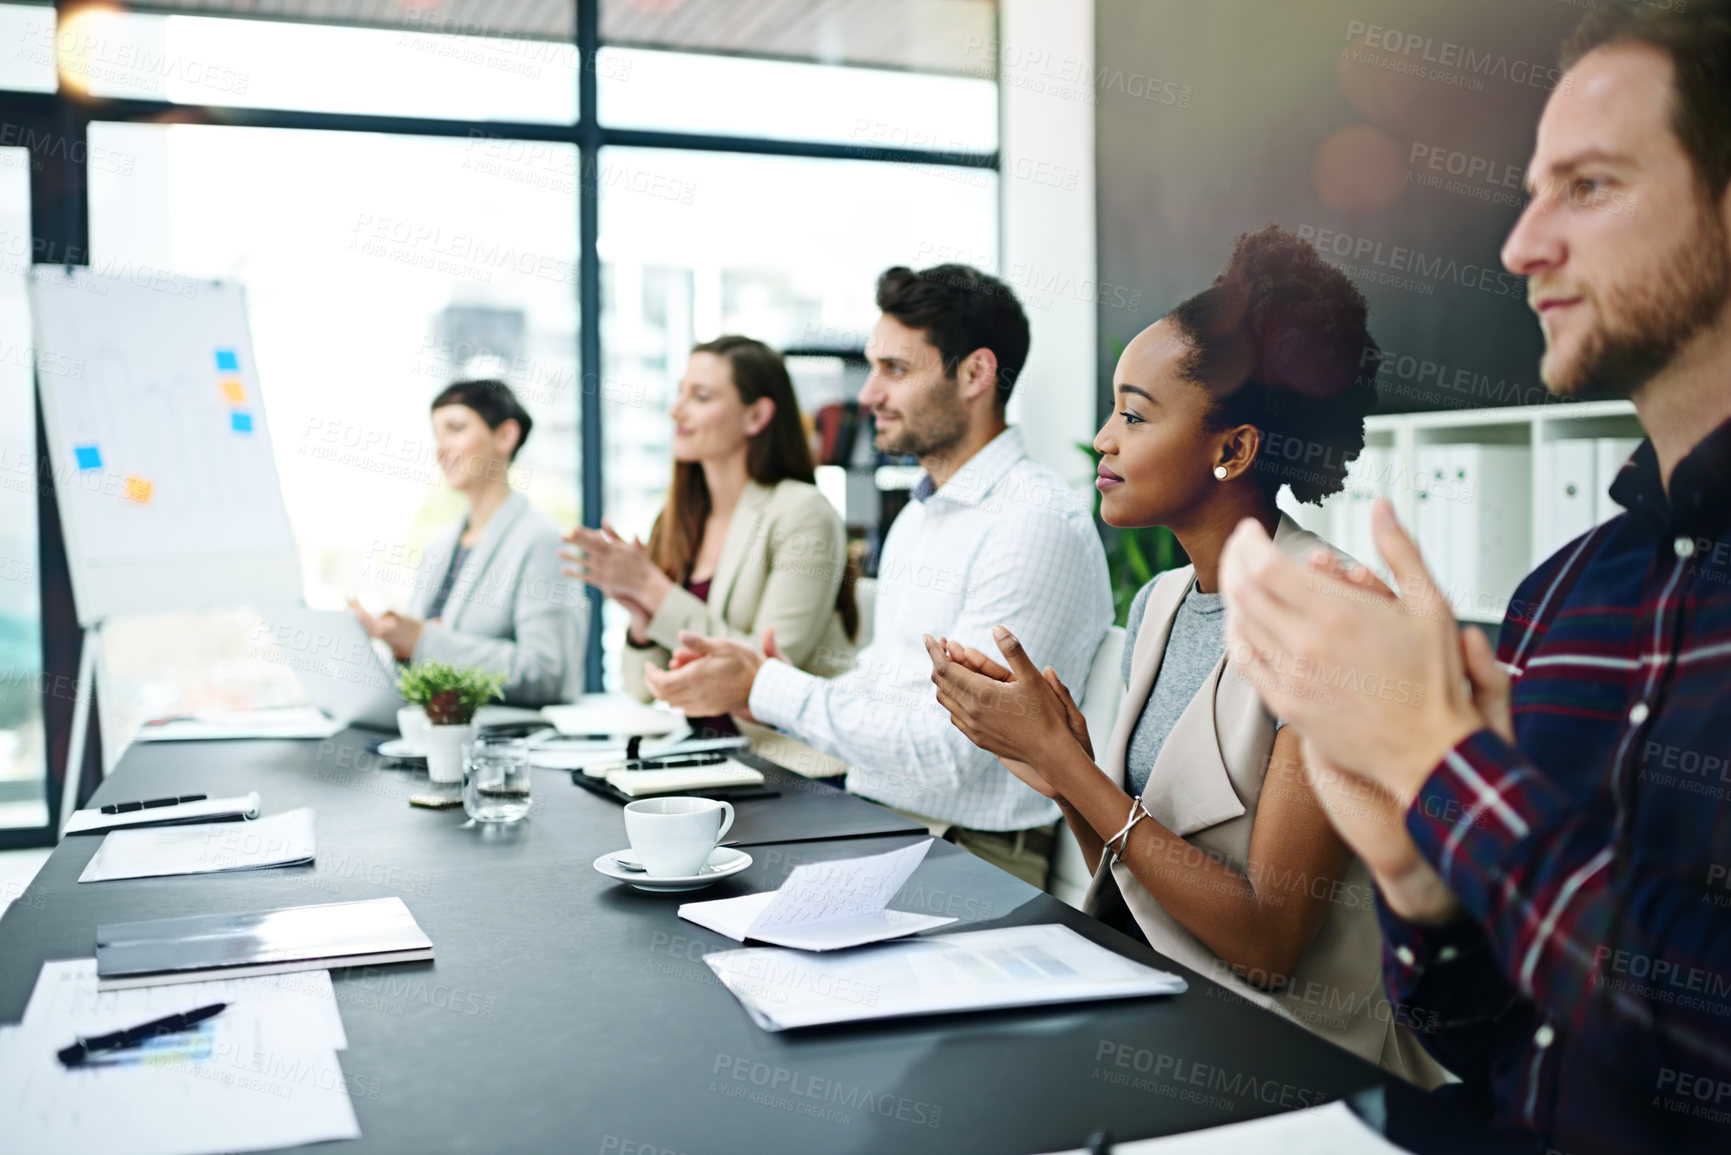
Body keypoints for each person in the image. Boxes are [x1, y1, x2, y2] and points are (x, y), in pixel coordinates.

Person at [1217, 3, 1731, 1150]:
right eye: (1531, 190)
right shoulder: (1563, 597)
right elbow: (1502, 1042)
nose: (1521, 246)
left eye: (1589, 188)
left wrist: (1442, 763)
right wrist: (1421, 880)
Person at [924, 227, 1438, 1081]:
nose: (1101, 439)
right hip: (1165, 1011)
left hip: (1292, 1061)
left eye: (1132, 412)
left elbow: (1269, 942)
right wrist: (1057, 764)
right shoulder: (1162, 604)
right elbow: (1129, 878)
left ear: (1231, 448)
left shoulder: (1331, 614)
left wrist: (1064, 763)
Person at [642, 264, 1113, 888]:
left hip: (972, 853)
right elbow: (889, 688)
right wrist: (773, 682)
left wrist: (766, 688)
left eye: (895, 369)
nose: (868, 395)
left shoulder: (1031, 522)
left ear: (976, 374)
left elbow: (953, 759)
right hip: (885, 818)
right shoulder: (923, 514)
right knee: (682, 877)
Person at [560, 336, 856, 706]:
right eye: (679, 393)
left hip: (780, 756)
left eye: (700, 397)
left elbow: (766, 672)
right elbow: (641, 690)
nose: (675, 411)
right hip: (698, 750)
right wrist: (642, 619)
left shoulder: (804, 514)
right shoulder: (677, 519)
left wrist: (652, 588)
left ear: (756, 416)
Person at [349, 379, 580, 706]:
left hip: (505, 747)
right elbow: (422, 668)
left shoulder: (543, 542)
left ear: (505, 436)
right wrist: (395, 641)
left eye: (455, 428)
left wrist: (424, 642)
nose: (440, 448)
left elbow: (547, 673)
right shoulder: (438, 551)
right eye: (437, 434)